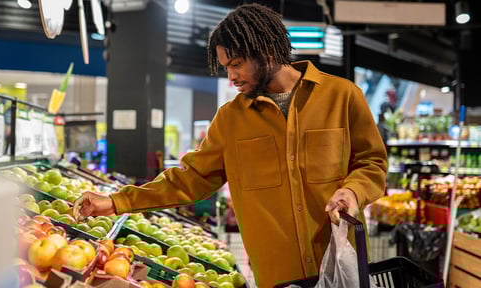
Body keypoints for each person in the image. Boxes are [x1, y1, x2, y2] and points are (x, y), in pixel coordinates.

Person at [74, 3, 387, 286]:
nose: (231, 77)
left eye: (236, 64)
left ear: (266, 50)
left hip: (343, 264)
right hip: (278, 276)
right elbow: (190, 180)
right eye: (226, 66)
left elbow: (371, 162)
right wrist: (115, 202)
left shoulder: (343, 96)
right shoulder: (231, 119)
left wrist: (353, 191)